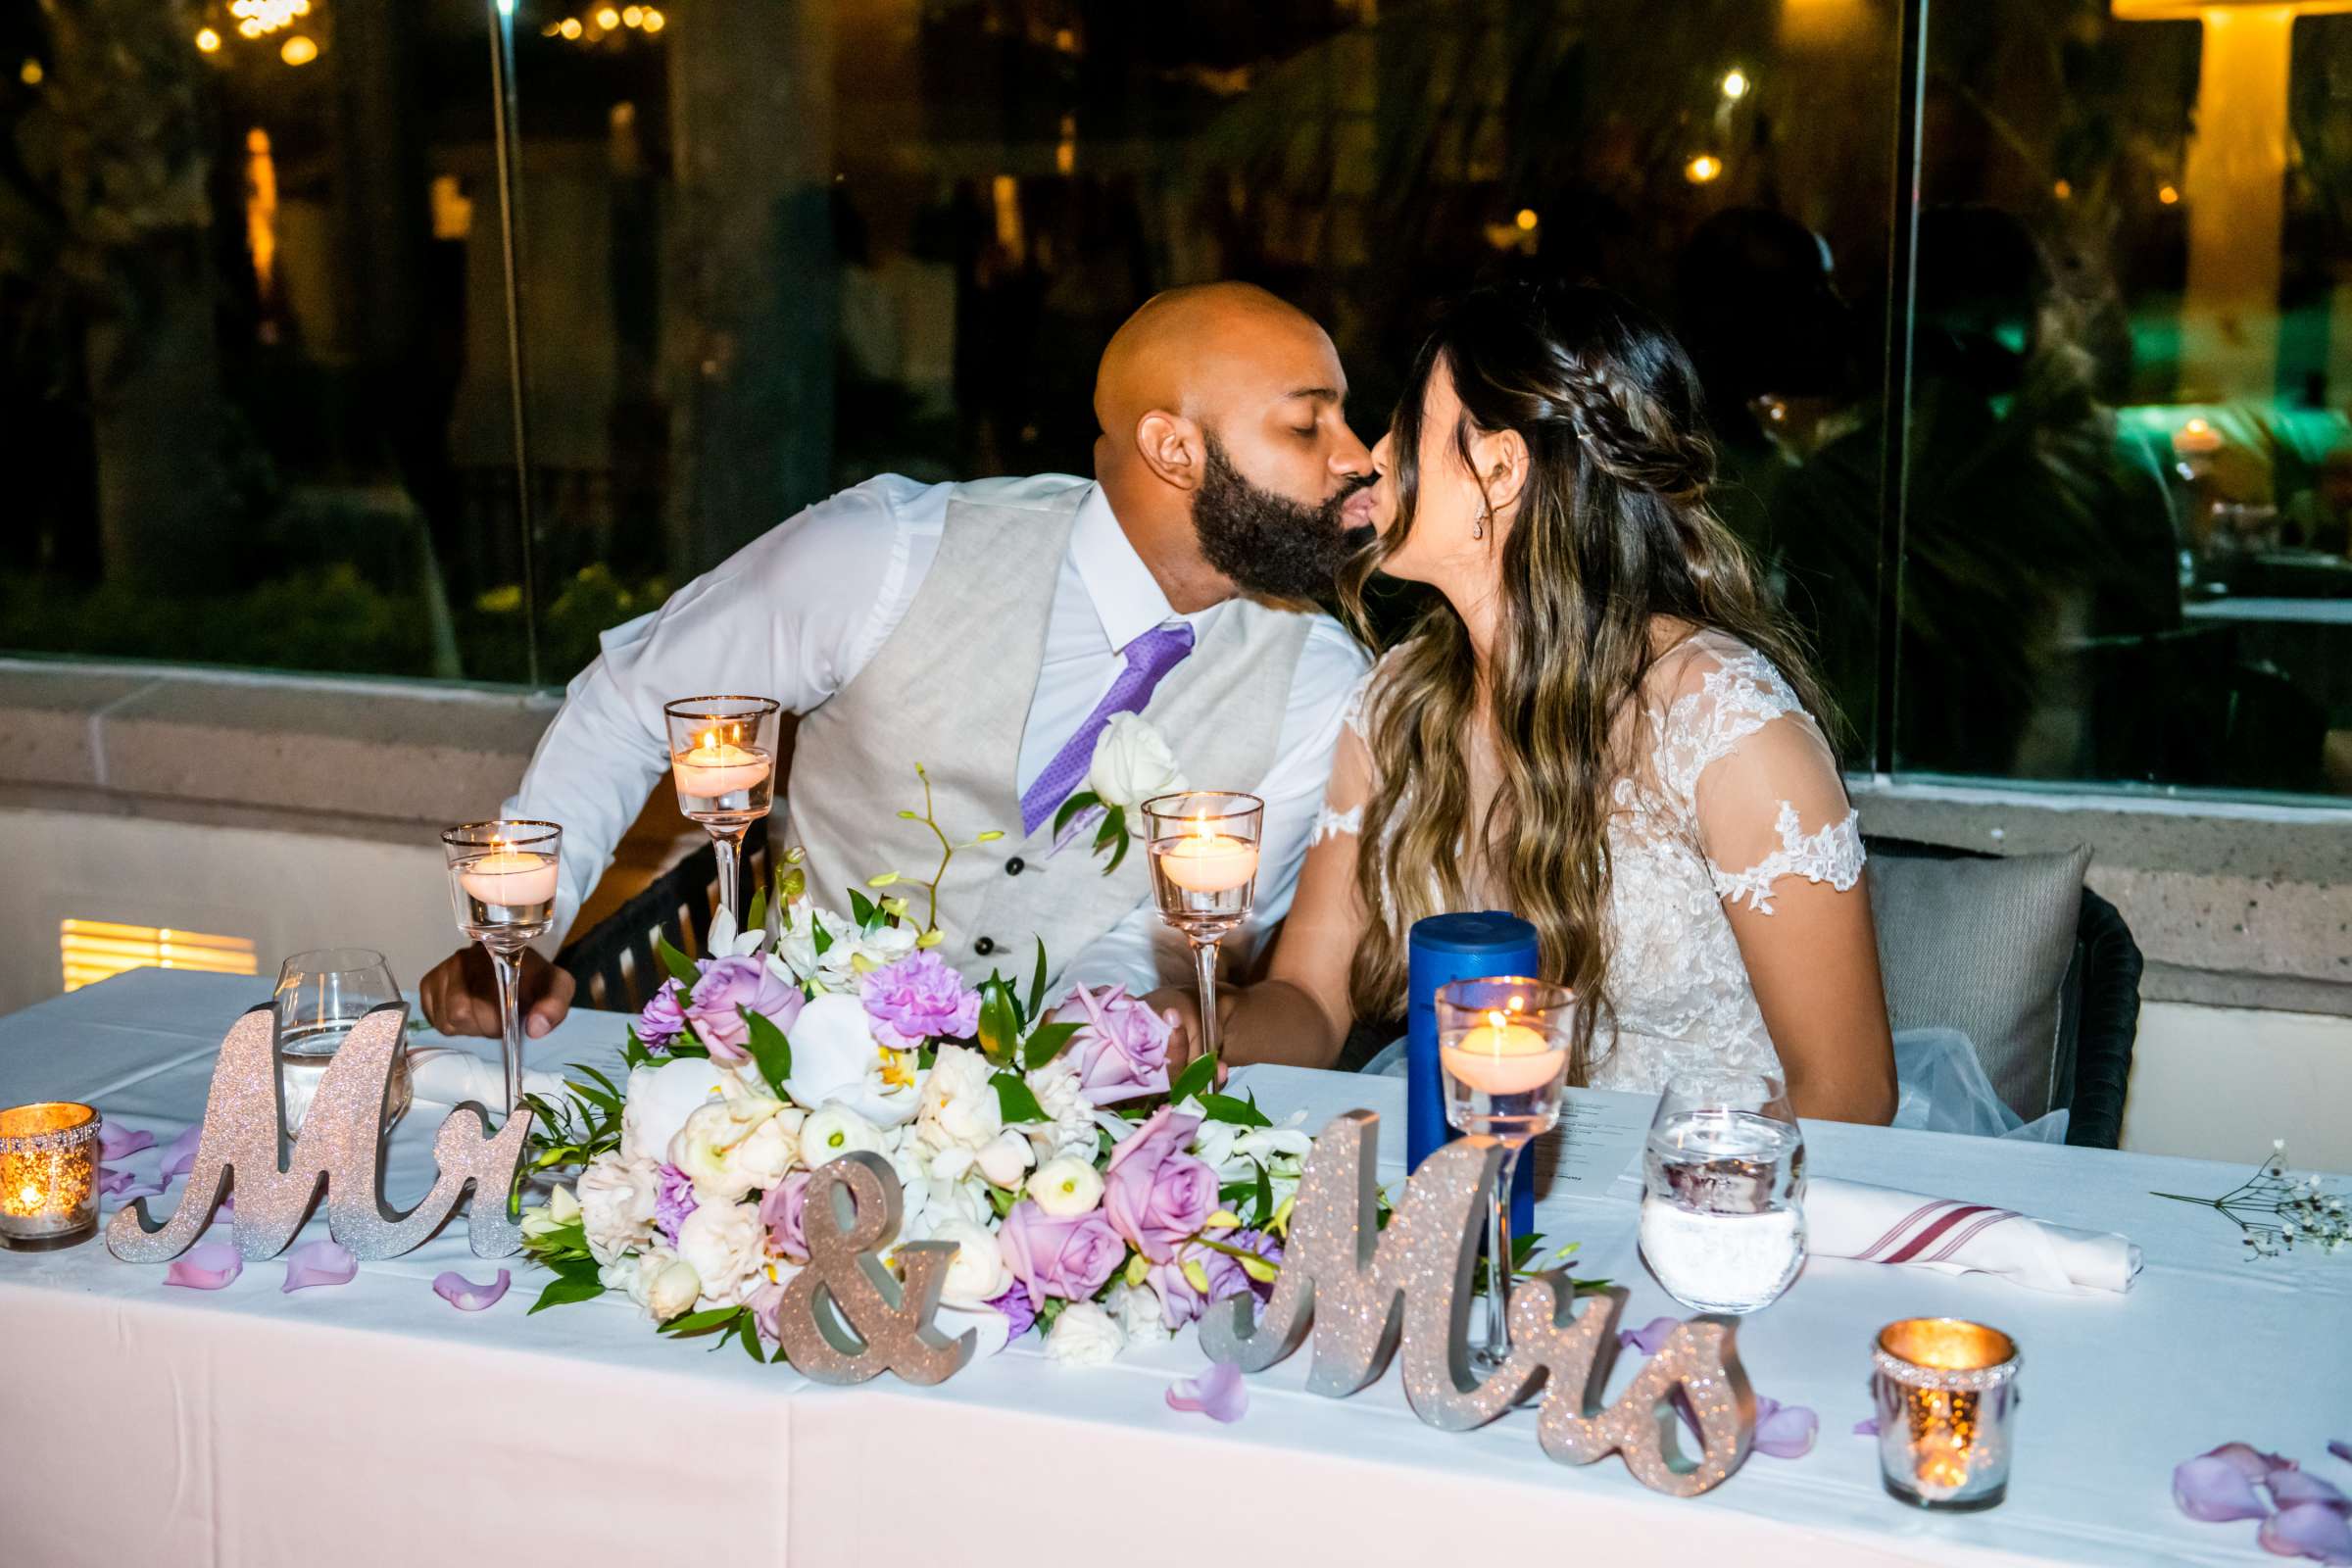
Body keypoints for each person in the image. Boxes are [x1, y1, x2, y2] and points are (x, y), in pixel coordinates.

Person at [420, 282, 1377, 1040]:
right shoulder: (885, 553)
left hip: (1067, 1139)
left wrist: (1076, 1050)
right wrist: (520, 933)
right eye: (1309, 425)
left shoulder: (1316, 683)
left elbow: (1149, 936)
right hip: (787, 1067)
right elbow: (633, 708)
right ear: (1173, 448)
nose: (1359, 456)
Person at [1192, 277, 1898, 1122]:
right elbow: (1309, 1002)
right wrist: (1205, 1023)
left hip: (1707, 1197)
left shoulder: (1724, 724)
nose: (1376, 456)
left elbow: (1849, 1099)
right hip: (1482, 1175)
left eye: (1408, 425)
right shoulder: (1397, 703)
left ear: (1501, 465)